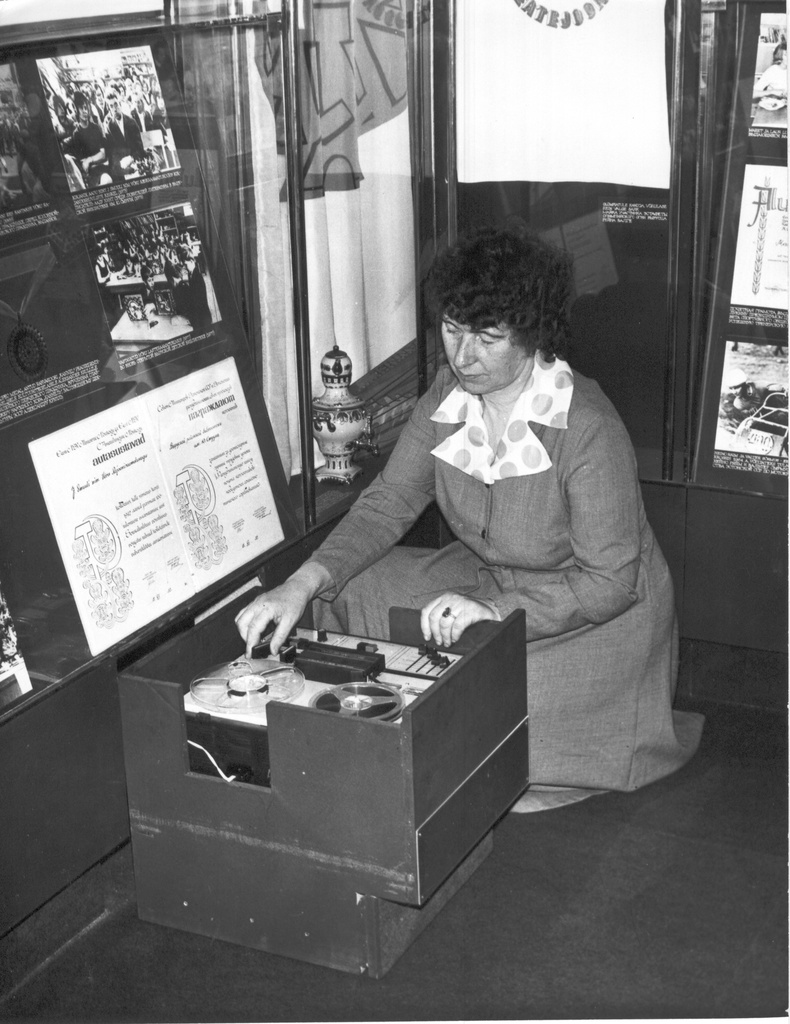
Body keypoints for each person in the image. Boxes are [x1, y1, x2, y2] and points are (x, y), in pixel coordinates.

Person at [235, 227, 704, 800]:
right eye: (453, 330)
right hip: (487, 580)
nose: (463, 355)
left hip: (590, 613)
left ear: (531, 335)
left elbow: (611, 581)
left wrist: (493, 609)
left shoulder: (587, 429)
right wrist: (298, 584)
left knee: (479, 705)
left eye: (487, 336)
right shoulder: (445, 396)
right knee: (346, 589)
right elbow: (388, 503)